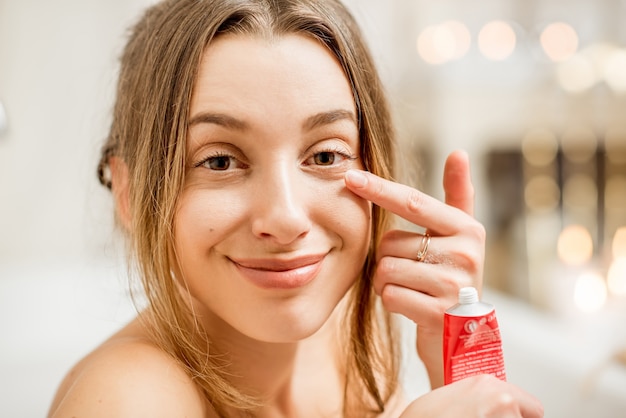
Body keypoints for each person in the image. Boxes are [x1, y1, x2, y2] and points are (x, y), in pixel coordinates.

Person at [48, 0, 544, 417]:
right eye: (220, 161)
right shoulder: (126, 397)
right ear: (130, 197)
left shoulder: (344, 344)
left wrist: (461, 364)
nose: (285, 218)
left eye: (326, 155)